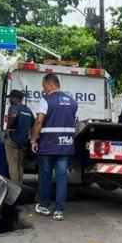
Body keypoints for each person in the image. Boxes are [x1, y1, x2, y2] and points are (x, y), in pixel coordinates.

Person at [31, 73, 78, 221]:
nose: (43, 89)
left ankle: (45, 206)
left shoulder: (46, 100)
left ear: (51, 84)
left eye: (44, 86)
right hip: (65, 144)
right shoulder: (73, 101)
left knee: (45, 175)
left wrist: (33, 139)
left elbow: (39, 122)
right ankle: (59, 211)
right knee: (62, 177)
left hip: (48, 144)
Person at [5, 89, 34, 185]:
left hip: (13, 139)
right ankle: (21, 186)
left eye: (11, 98)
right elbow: (33, 124)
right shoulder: (28, 109)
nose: (10, 100)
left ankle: (15, 187)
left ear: (14, 98)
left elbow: (13, 116)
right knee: (20, 165)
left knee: (13, 164)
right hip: (24, 141)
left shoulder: (13, 107)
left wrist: (8, 128)